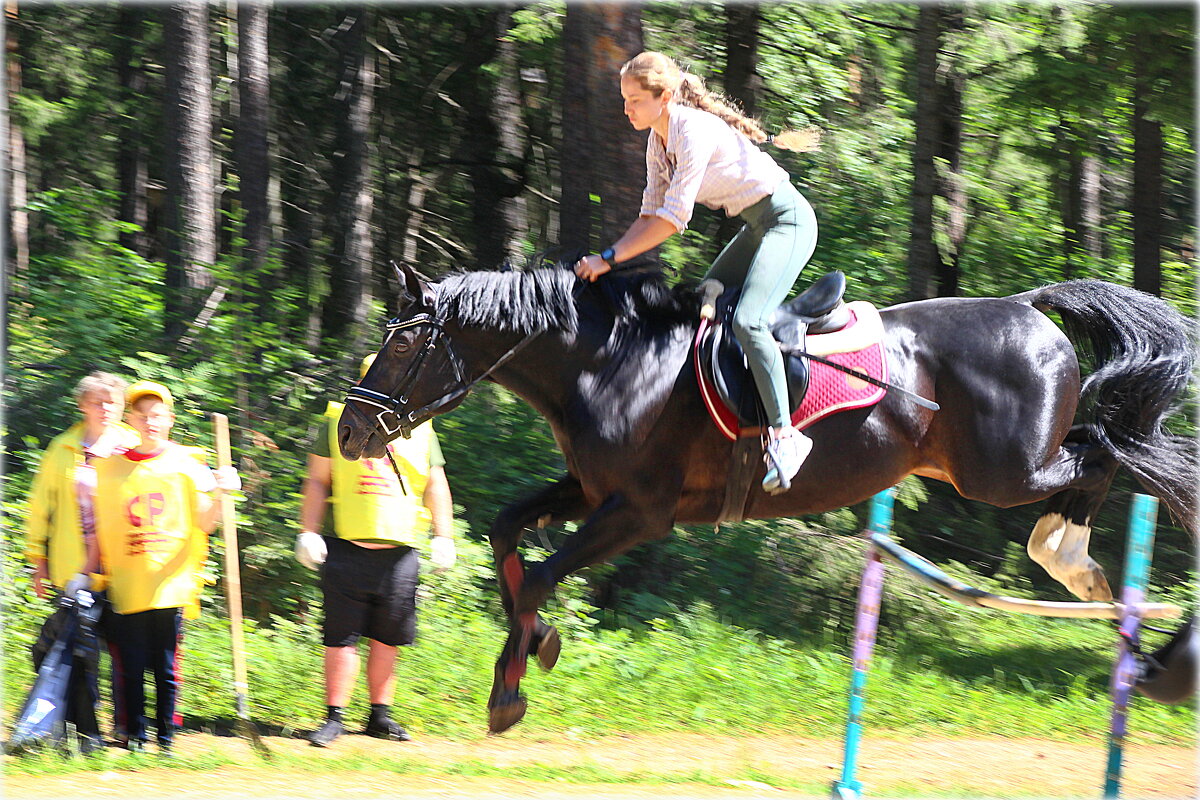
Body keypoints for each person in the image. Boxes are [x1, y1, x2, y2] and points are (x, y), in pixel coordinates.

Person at [574, 51, 821, 494]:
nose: (626, 109)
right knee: (704, 298)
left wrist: (608, 258)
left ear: (664, 97)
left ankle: (786, 437)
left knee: (748, 320)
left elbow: (672, 220)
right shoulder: (658, 139)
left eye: (634, 100)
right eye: (624, 99)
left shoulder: (690, 130)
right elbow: (649, 214)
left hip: (788, 222)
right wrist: (609, 256)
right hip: (756, 225)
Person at [296, 353, 456, 748]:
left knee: (388, 637)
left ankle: (379, 716)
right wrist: (308, 531)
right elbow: (318, 480)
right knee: (341, 637)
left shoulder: (421, 428)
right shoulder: (336, 420)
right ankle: (334, 717)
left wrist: (444, 536)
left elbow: (436, 483)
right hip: (347, 547)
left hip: (399, 553)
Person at [92, 380, 240, 754]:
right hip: (128, 581)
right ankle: (138, 737)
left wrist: (223, 492)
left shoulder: (186, 465)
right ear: (130, 419)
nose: (149, 422)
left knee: (166, 667)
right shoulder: (110, 469)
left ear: (170, 419)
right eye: (141, 415)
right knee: (131, 666)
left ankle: (166, 739)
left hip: (170, 583)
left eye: (156, 415)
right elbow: (97, 520)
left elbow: (205, 522)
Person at [23, 371, 140, 752]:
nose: (105, 408)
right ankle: (79, 736)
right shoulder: (61, 449)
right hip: (75, 571)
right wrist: (36, 559)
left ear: (121, 407)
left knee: (125, 657)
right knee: (77, 653)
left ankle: (127, 732)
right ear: (82, 405)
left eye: (112, 402)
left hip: (125, 569)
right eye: (97, 401)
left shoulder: (132, 444)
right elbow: (41, 508)